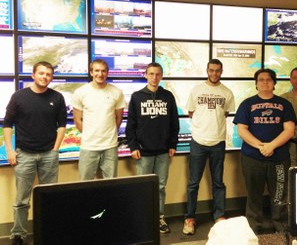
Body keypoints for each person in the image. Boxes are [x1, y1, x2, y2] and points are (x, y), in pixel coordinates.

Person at [3, 61, 67, 245]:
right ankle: (18, 235)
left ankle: (50, 231)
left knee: (50, 197)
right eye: (41, 73)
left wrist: (55, 150)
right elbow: (7, 124)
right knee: (22, 199)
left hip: (49, 155)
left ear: (51, 77)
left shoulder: (57, 97)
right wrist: (10, 150)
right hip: (25, 155)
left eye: (48, 74)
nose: (44, 77)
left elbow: (62, 125)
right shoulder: (18, 97)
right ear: (33, 75)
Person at [233, 68, 296, 234]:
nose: (265, 82)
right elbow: (242, 130)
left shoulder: (284, 104)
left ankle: (281, 228)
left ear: (274, 83)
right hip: (252, 158)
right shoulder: (247, 104)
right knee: (254, 195)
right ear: (256, 84)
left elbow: (289, 130)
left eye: (269, 79)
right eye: (261, 79)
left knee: (279, 195)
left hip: (279, 159)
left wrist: (272, 146)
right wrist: (261, 146)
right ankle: (254, 228)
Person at [125, 62, 179, 234]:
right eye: (151, 74)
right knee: (143, 186)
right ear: (145, 75)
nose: (154, 77)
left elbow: (174, 123)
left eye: (157, 74)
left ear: (161, 76)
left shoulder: (168, 96)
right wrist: (133, 146)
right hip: (143, 152)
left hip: (163, 151)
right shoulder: (137, 97)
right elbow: (131, 124)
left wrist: (172, 144)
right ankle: (143, 218)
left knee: (161, 186)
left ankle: (159, 217)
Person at [183, 59, 235, 235]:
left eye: (218, 71)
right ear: (207, 70)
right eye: (212, 70)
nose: (214, 73)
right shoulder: (196, 90)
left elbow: (225, 113)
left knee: (218, 182)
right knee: (193, 184)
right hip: (198, 142)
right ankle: (190, 218)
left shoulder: (227, 92)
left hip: (218, 142)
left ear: (221, 71)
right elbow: (191, 112)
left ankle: (219, 216)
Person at [72, 59, 126, 180]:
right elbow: (77, 120)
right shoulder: (80, 92)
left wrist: (109, 134)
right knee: (85, 184)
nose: (100, 74)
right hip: (89, 146)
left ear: (107, 73)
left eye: (103, 71)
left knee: (111, 184)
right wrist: (89, 134)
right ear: (91, 72)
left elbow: (118, 118)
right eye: (96, 71)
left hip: (110, 146)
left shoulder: (116, 92)